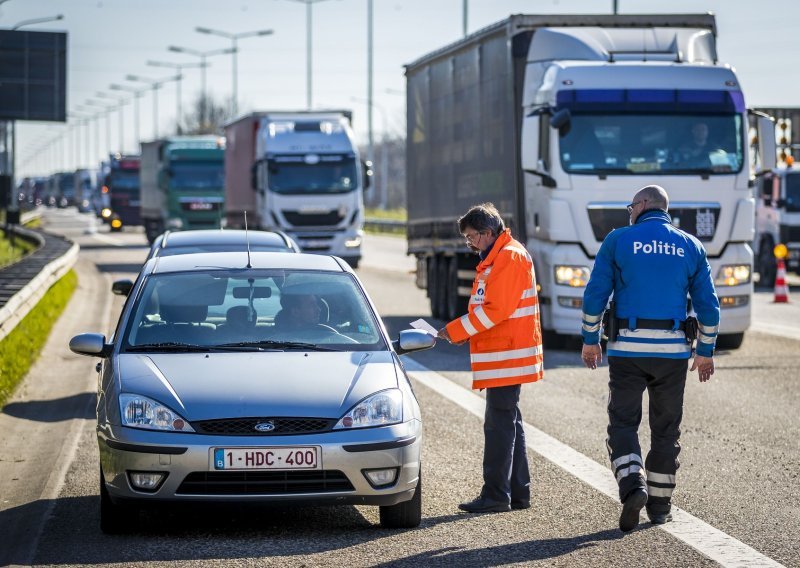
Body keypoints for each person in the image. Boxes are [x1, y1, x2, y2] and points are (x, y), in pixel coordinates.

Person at [580, 185, 719, 532]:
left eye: (631, 206)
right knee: (666, 431)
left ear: (642, 205)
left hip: (628, 351)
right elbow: (709, 308)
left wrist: (590, 340)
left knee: (623, 424)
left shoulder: (618, 240)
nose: (630, 211)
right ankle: (659, 507)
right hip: (672, 354)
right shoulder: (691, 245)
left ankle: (633, 486)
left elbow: (595, 294)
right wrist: (704, 353)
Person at [437, 203, 544, 513]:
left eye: (471, 237)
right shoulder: (499, 255)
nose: (469, 243)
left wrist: (455, 331)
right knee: (509, 421)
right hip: (506, 353)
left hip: (509, 354)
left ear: (487, 233)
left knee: (499, 425)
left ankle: (496, 494)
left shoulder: (508, 257)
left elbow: (495, 310)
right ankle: (517, 492)